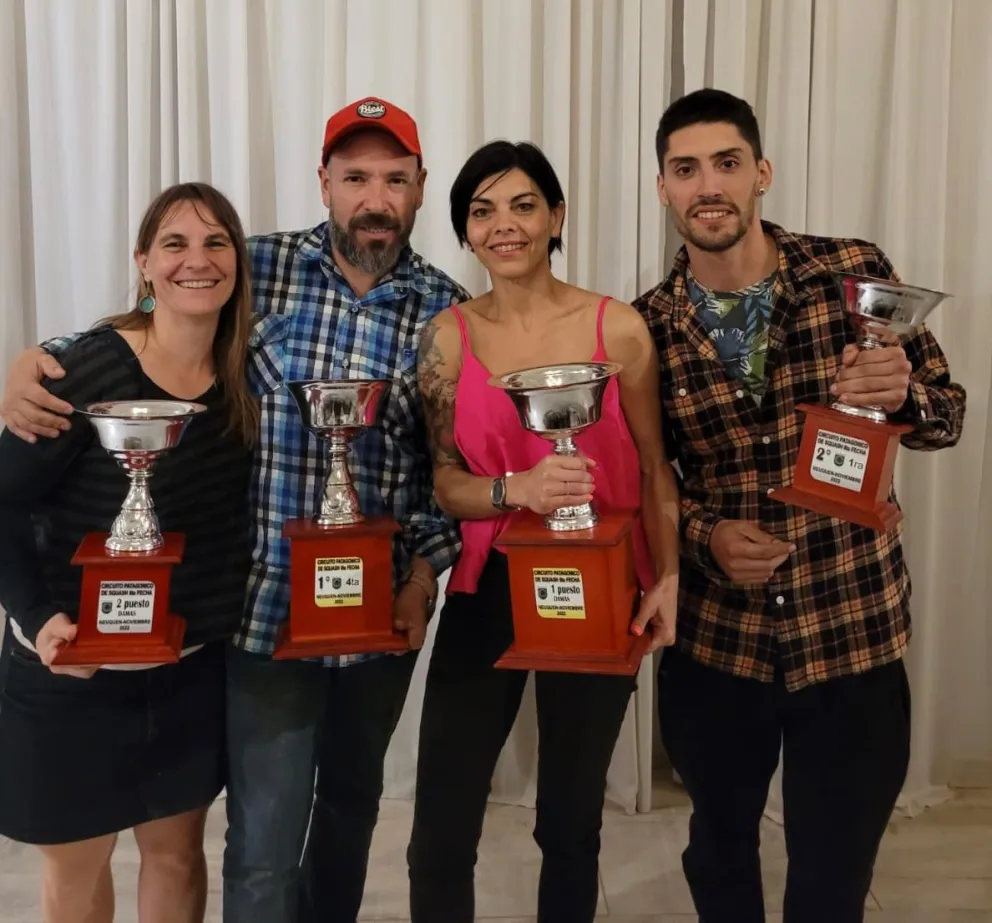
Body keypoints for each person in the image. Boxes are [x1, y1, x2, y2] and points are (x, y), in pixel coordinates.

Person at [0, 97, 468, 923]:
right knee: (260, 845)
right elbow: (154, 321)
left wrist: (424, 576)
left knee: (351, 813)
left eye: (395, 178)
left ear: (421, 187)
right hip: (257, 617)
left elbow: (444, 468)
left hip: (377, 616)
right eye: (355, 175)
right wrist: (36, 364)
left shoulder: (450, 313)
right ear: (323, 183)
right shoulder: (259, 268)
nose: (375, 196)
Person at [632, 88, 967, 923]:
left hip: (849, 633)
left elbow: (946, 413)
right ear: (663, 187)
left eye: (727, 163)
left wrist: (902, 402)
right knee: (719, 856)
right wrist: (706, 537)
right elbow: (649, 477)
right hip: (720, 646)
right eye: (686, 169)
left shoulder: (853, 274)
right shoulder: (647, 327)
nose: (708, 185)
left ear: (762, 173)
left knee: (833, 875)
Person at [408, 140, 681, 923]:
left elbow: (658, 468)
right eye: (483, 210)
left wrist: (665, 579)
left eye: (524, 204)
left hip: (599, 593)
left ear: (556, 216)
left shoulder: (617, 328)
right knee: (439, 832)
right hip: (487, 590)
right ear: (463, 229)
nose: (505, 225)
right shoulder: (446, 338)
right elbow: (445, 482)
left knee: (570, 823)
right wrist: (514, 489)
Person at [0, 182, 256, 923]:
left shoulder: (244, 379)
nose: (196, 261)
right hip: (70, 667)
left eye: (216, 243)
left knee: (176, 859)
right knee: (77, 875)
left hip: (187, 669)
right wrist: (44, 618)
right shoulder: (86, 372)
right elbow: (4, 501)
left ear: (238, 263)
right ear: (143, 263)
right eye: (174, 244)